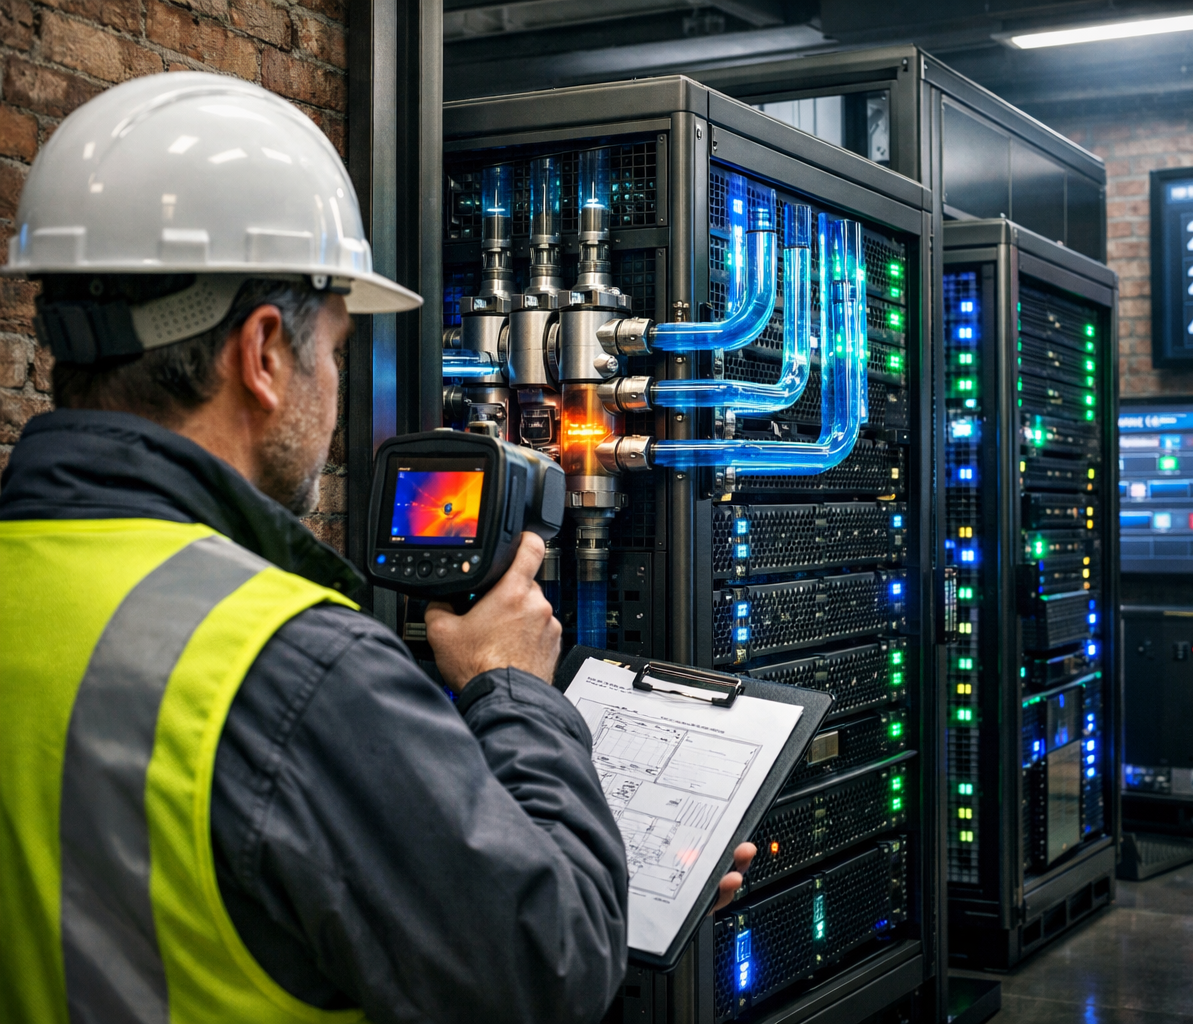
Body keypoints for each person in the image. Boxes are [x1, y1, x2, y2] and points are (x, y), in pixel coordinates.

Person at [0, 72, 752, 1024]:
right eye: (335, 350)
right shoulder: (288, 669)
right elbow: (549, 968)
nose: (333, 387)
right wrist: (513, 686)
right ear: (264, 355)